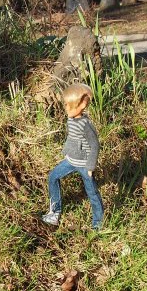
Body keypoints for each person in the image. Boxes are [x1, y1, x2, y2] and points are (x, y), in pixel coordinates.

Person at [41, 82, 103, 230]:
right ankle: (54, 213)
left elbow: (95, 145)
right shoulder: (71, 119)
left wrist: (90, 166)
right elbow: (73, 139)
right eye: (65, 104)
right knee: (53, 177)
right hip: (70, 161)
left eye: (69, 105)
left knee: (92, 192)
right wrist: (67, 152)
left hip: (84, 164)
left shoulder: (85, 125)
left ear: (81, 104)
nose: (66, 108)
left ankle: (98, 224)